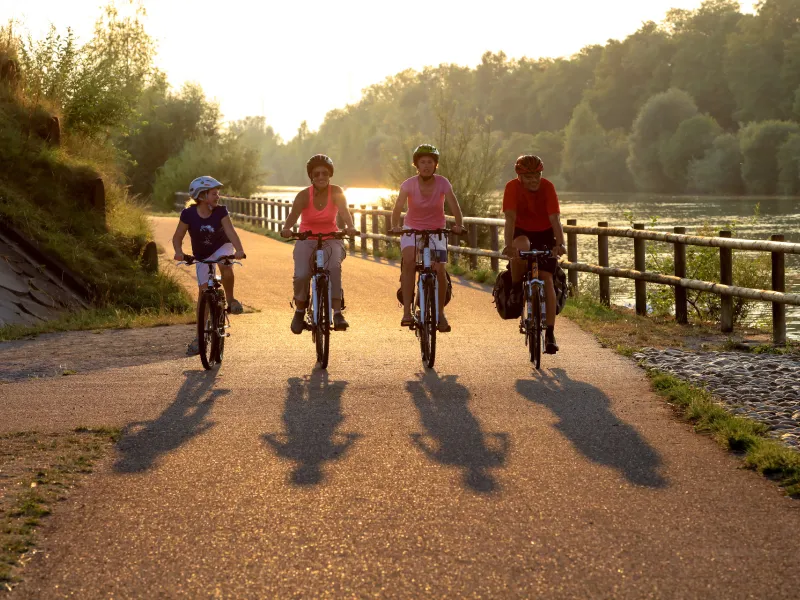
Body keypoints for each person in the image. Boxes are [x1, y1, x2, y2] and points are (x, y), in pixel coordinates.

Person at [280, 154, 358, 334]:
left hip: (331, 236)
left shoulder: (337, 192)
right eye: (317, 174)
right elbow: (292, 217)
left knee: (334, 268)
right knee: (302, 275)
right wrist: (286, 228)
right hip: (306, 238)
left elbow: (345, 213)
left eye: (325, 173)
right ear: (311, 177)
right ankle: (300, 310)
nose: (321, 177)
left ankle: (337, 313)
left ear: (330, 175)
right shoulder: (303, 195)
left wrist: (351, 227)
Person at [390, 144, 464, 332]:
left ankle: (440, 314)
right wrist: (395, 225)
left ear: (435, 165)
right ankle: (407, 311)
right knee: (408, 261)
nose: (426, 165)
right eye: (422, 162)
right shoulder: (408, 184)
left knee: (439, 269)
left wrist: (459, 224)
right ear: (416, 165)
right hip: (412, 229)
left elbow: (453, 204)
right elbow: (398, 206)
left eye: (430, 162)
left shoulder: (443, 183)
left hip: (437, 229)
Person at [173, 176, 246, 355]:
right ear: (202, 195)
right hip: (202, 254)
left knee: (225, 265)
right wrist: (178, 251)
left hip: (222, 246)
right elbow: (178, 237)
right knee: (203, 291)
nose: (218, 197)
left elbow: (231, 231)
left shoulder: (221, 211)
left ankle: (230, 299)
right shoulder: (188, 214)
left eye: (217, 194)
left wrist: (239, 250)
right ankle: (199, 337)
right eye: (214, 194)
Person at [502, 155, 566, 354]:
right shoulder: (512, 188)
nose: (533, 180)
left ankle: (550, 334)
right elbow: (510, 219)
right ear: (519, 177)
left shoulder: (548, 187)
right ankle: (515, 288)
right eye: (528, 177)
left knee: (547, 278)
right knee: (521, 246)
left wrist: (561, 244)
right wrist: (508, 245)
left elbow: (555, 219)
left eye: (537, 175)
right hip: (521, 230)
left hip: (545, 231)